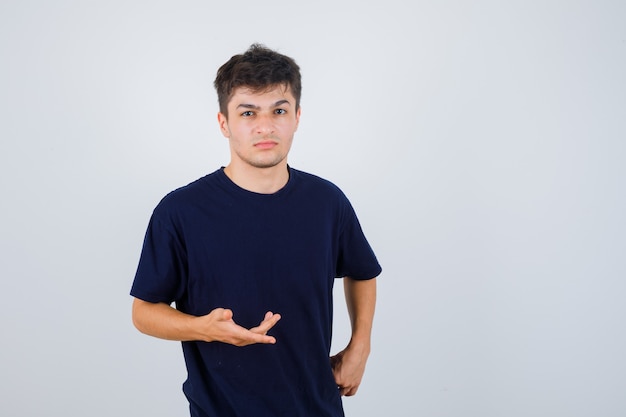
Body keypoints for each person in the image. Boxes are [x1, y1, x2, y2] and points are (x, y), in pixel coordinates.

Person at [130, 43, 382, 417]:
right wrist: (205, 328)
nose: (265, 126)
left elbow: (362, 272)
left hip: (317, 407)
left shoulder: (327, 202)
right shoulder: (180, 212)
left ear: (296, 116)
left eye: (278, 110)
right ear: (224, 123)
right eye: (248, 112)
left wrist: (360, 346)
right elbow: (144, 312)